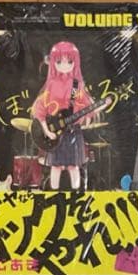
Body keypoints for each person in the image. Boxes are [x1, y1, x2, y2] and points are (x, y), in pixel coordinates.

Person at [32, 40, 95, 190]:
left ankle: (76, 194)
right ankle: (54, 193)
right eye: (59, 61)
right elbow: (40, 109)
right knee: (56, 166)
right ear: (53, 63)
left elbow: (86, 105)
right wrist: (47, 131)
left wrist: (93, 111)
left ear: (75, 62)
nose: (65, 65)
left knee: (74, 166)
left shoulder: (77, 85)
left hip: (73, 130)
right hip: (56, 133)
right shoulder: (51, 84)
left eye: (70, 61)